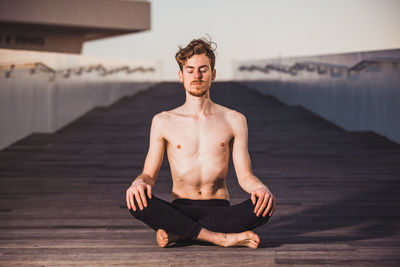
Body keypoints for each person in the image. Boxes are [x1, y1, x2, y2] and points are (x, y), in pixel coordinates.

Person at [126, 38, 276, 249]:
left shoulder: (234, 119)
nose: (196, 76)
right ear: (181, 76)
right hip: (179, 208)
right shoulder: (163, 121)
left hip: (220, 209)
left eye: (203, 69)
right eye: (190, 70)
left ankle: (181, 233)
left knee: (265, 206)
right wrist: (139, 182)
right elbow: (148, 175)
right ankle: (219, 237)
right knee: (136, 201)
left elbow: (245, 176)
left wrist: (260, 188)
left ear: (213, 74)